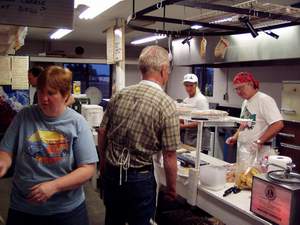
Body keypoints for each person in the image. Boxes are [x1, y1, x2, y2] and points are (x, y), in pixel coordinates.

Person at [0, 66, 98, 225]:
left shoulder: (77, 122)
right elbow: (6, 150)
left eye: (51, 93)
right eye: (40, 92)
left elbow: (88, 169)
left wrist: (54, 186)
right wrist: (3, 162)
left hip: (65, 211)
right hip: (24, 208)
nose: (43, 98)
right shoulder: (24, 116)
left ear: (65, 95)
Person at [98, 45, 180, 225]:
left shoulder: (120, 95)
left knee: (113, 219)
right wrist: (172, 188)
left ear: (141, 69)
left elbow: (102, 131)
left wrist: (103, 163)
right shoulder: (167, 105)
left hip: (112, 172)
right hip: (139, 178)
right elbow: (169, 155)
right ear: (164, 70)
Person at [226, 71, 284, 162]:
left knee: (255, 176)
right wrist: (235, 137)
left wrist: (259, 141)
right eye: (236, 89)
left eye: (241, 87)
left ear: (251, 84)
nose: (238, 92)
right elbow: (244, 124)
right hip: (245, 151)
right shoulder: (245, 102)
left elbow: (278, 124)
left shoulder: (264, 100)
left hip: (260, 153)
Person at [180, 73, 210, 149]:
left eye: (191, 85)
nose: (189, 88)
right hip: (189, 136)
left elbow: (203, 121)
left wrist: (183, 126)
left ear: (196, 85)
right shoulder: (186, 100)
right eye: (186, 85)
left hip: (200, 137)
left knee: (199, 160)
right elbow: (185, 117)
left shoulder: (201, 99)